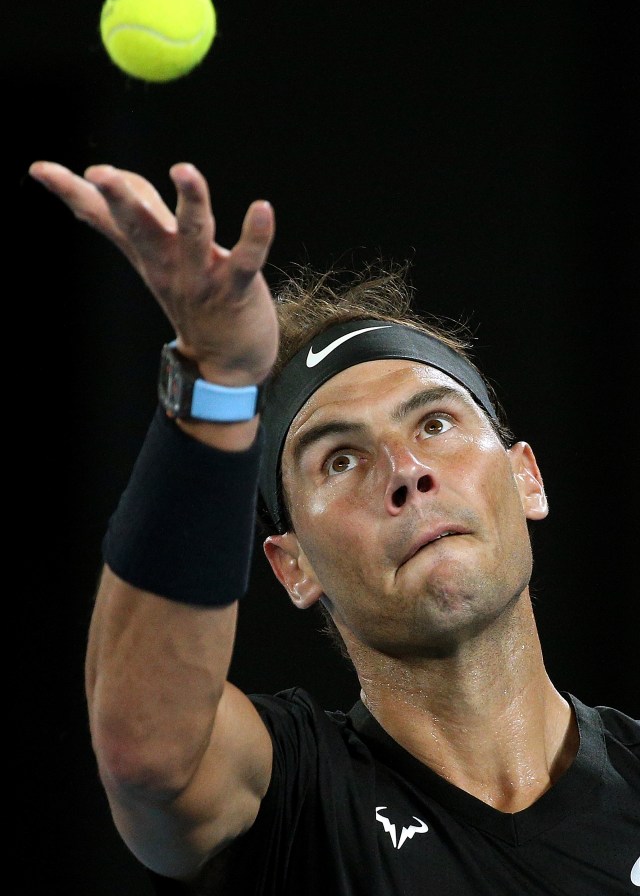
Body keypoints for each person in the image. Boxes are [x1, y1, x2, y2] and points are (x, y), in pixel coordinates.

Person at [29, 159, 639, 895]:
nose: (406, 470)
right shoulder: (292, 798)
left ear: (526, 477)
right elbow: (150, 757)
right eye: (342, 460)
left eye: (436, 423)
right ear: (293, 567)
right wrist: (216, 380)